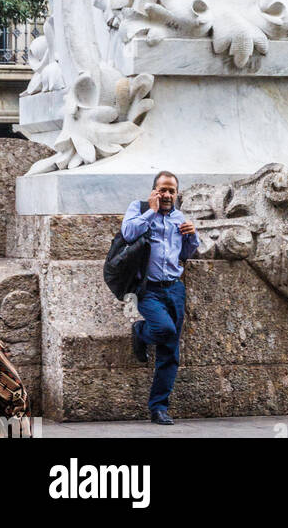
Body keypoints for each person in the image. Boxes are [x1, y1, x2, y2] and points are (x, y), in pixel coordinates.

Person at [122, 171, 199, 425]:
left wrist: (192, 236)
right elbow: (129, 233)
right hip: (147, 288)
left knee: (170, 351)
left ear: (177, 194)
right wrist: (151, 212)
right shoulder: (140, 208)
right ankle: (141, 331)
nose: (167, 195)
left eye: (171, 191)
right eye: (162, 190)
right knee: (163, 329)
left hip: (174, 288)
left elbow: (185, 254)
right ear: (154, 190)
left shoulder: (179, 217)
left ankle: (158, 407)